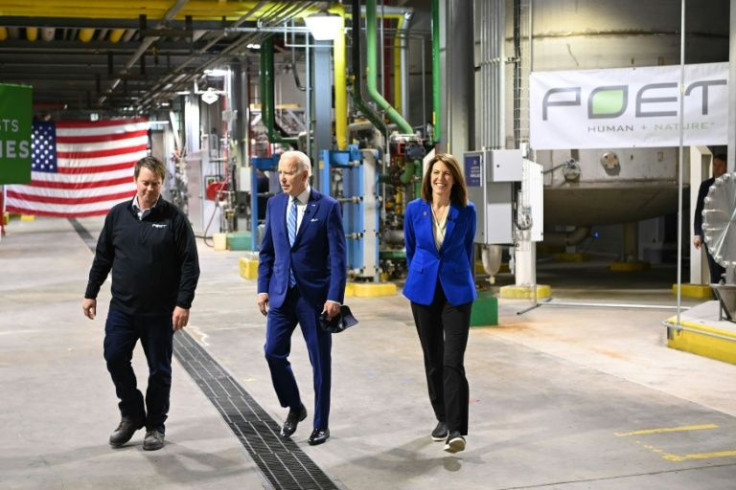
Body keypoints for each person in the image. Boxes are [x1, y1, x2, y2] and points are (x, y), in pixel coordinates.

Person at [82, 156, 200, 451]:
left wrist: (183, 303)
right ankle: (132, 413)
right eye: (145, 183)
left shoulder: (175, 219)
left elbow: (190, 265)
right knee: (114, 357)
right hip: (123, 308)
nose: (149, 189)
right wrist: (91, 292)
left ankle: (155, 425)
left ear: (162, 184)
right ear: (135, 181)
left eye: (155, 184)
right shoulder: (117, 216)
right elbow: (103, 257)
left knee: (159, 370)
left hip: (160, 312)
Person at [256, 150, 347, 446]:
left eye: (289, 172)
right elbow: (268, 251)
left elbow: (337, 258)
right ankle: (295, 406)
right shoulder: (275, 204)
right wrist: (262, 287)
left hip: (315, 299)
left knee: (320, 363)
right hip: (282, 294)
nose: (282, 178)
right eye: (280, 172)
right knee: (272, 352)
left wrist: (334, 296)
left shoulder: (328, 207)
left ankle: (321, 424)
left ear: (305, 175)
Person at [403, 153, 477, 454]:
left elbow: (468, 247)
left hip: (457, 293)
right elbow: (411, 249)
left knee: (452, 361)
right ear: (428, 178)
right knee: (433, 359)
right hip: (423, 291)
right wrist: (419, 276)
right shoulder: (414, 210)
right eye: (436, 173)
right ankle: (442, 418)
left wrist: (461, 278)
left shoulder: (467, 211)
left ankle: (457, 430)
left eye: (447, 173)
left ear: (454, 179)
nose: (440, 178)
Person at [693, 153, 727, 285]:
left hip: (728, 234)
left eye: (720, 165)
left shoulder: (731, 183)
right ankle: (716, 299)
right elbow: (699, 211)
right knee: (715, 271)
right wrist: (697, 233)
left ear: (726, 167)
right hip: (710, 235)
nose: (716, 168)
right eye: (715, 165)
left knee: (728, 269)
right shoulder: (706, 185)